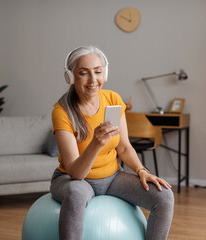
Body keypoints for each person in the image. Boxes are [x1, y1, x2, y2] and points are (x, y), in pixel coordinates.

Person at [50, 46, 174, 240]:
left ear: (105, 73)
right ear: (71, 77)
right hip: (72, 180)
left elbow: (123, 147)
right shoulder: (62, 111)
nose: (93, 80)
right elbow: (76, 173)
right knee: (76, 193)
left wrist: (142, 171)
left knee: (164, 196)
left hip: (112, 177)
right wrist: (95, 144)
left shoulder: (112, 99)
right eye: (83, 73)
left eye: (98, 72)